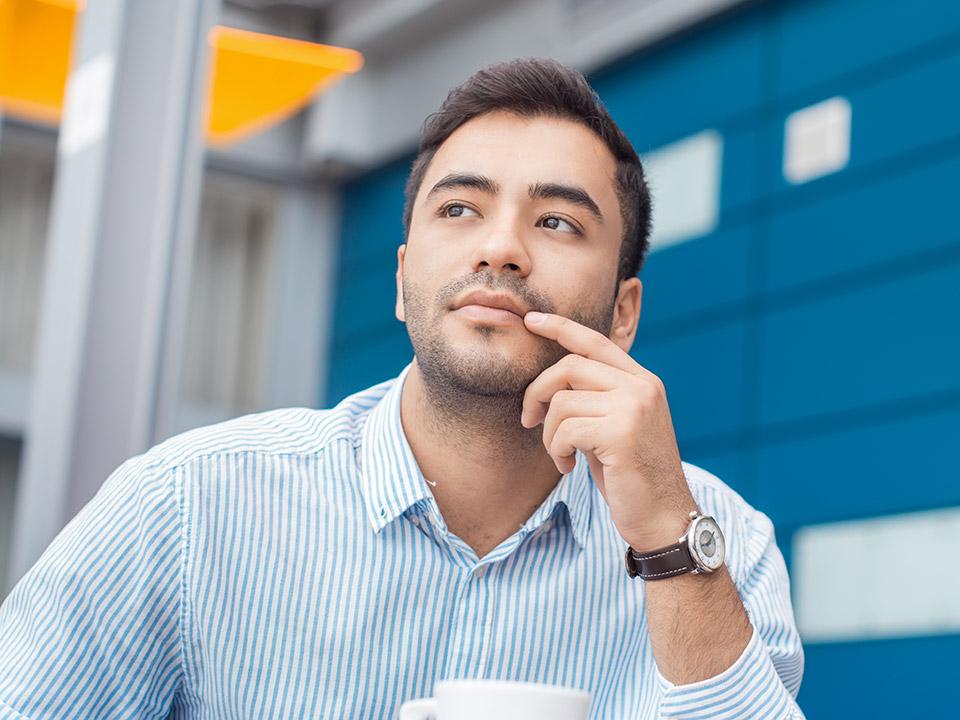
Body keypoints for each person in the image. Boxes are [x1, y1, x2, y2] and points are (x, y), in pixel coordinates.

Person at [0, 58, 804, 719]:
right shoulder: (182, 508)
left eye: (557, 222)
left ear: (623, 313)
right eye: (460, 207)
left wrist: (668, 534)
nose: (502, 247)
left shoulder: (721, 542)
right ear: (401, 278)